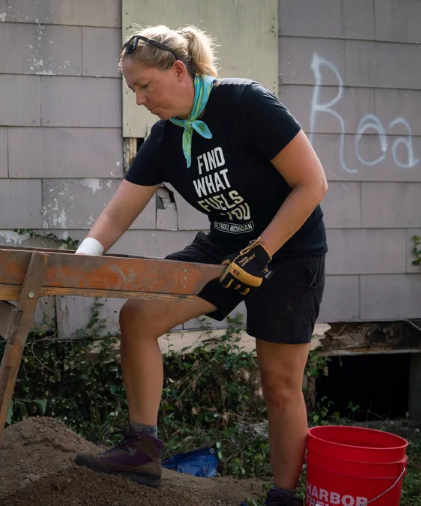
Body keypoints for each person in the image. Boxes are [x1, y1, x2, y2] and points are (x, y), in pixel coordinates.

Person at [71, 25, 328, 506]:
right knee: (138, 316)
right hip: (224, 248)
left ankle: (283, 495)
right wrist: (86, 256)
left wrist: (263, 250)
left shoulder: (246, 104)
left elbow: (312, 184)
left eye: (146, 86)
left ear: (178, 69)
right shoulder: (166, 139)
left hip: (289, 250)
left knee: (279, 383)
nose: (141, 99)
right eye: (133, 91)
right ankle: (142, 449)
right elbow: (117, 212)